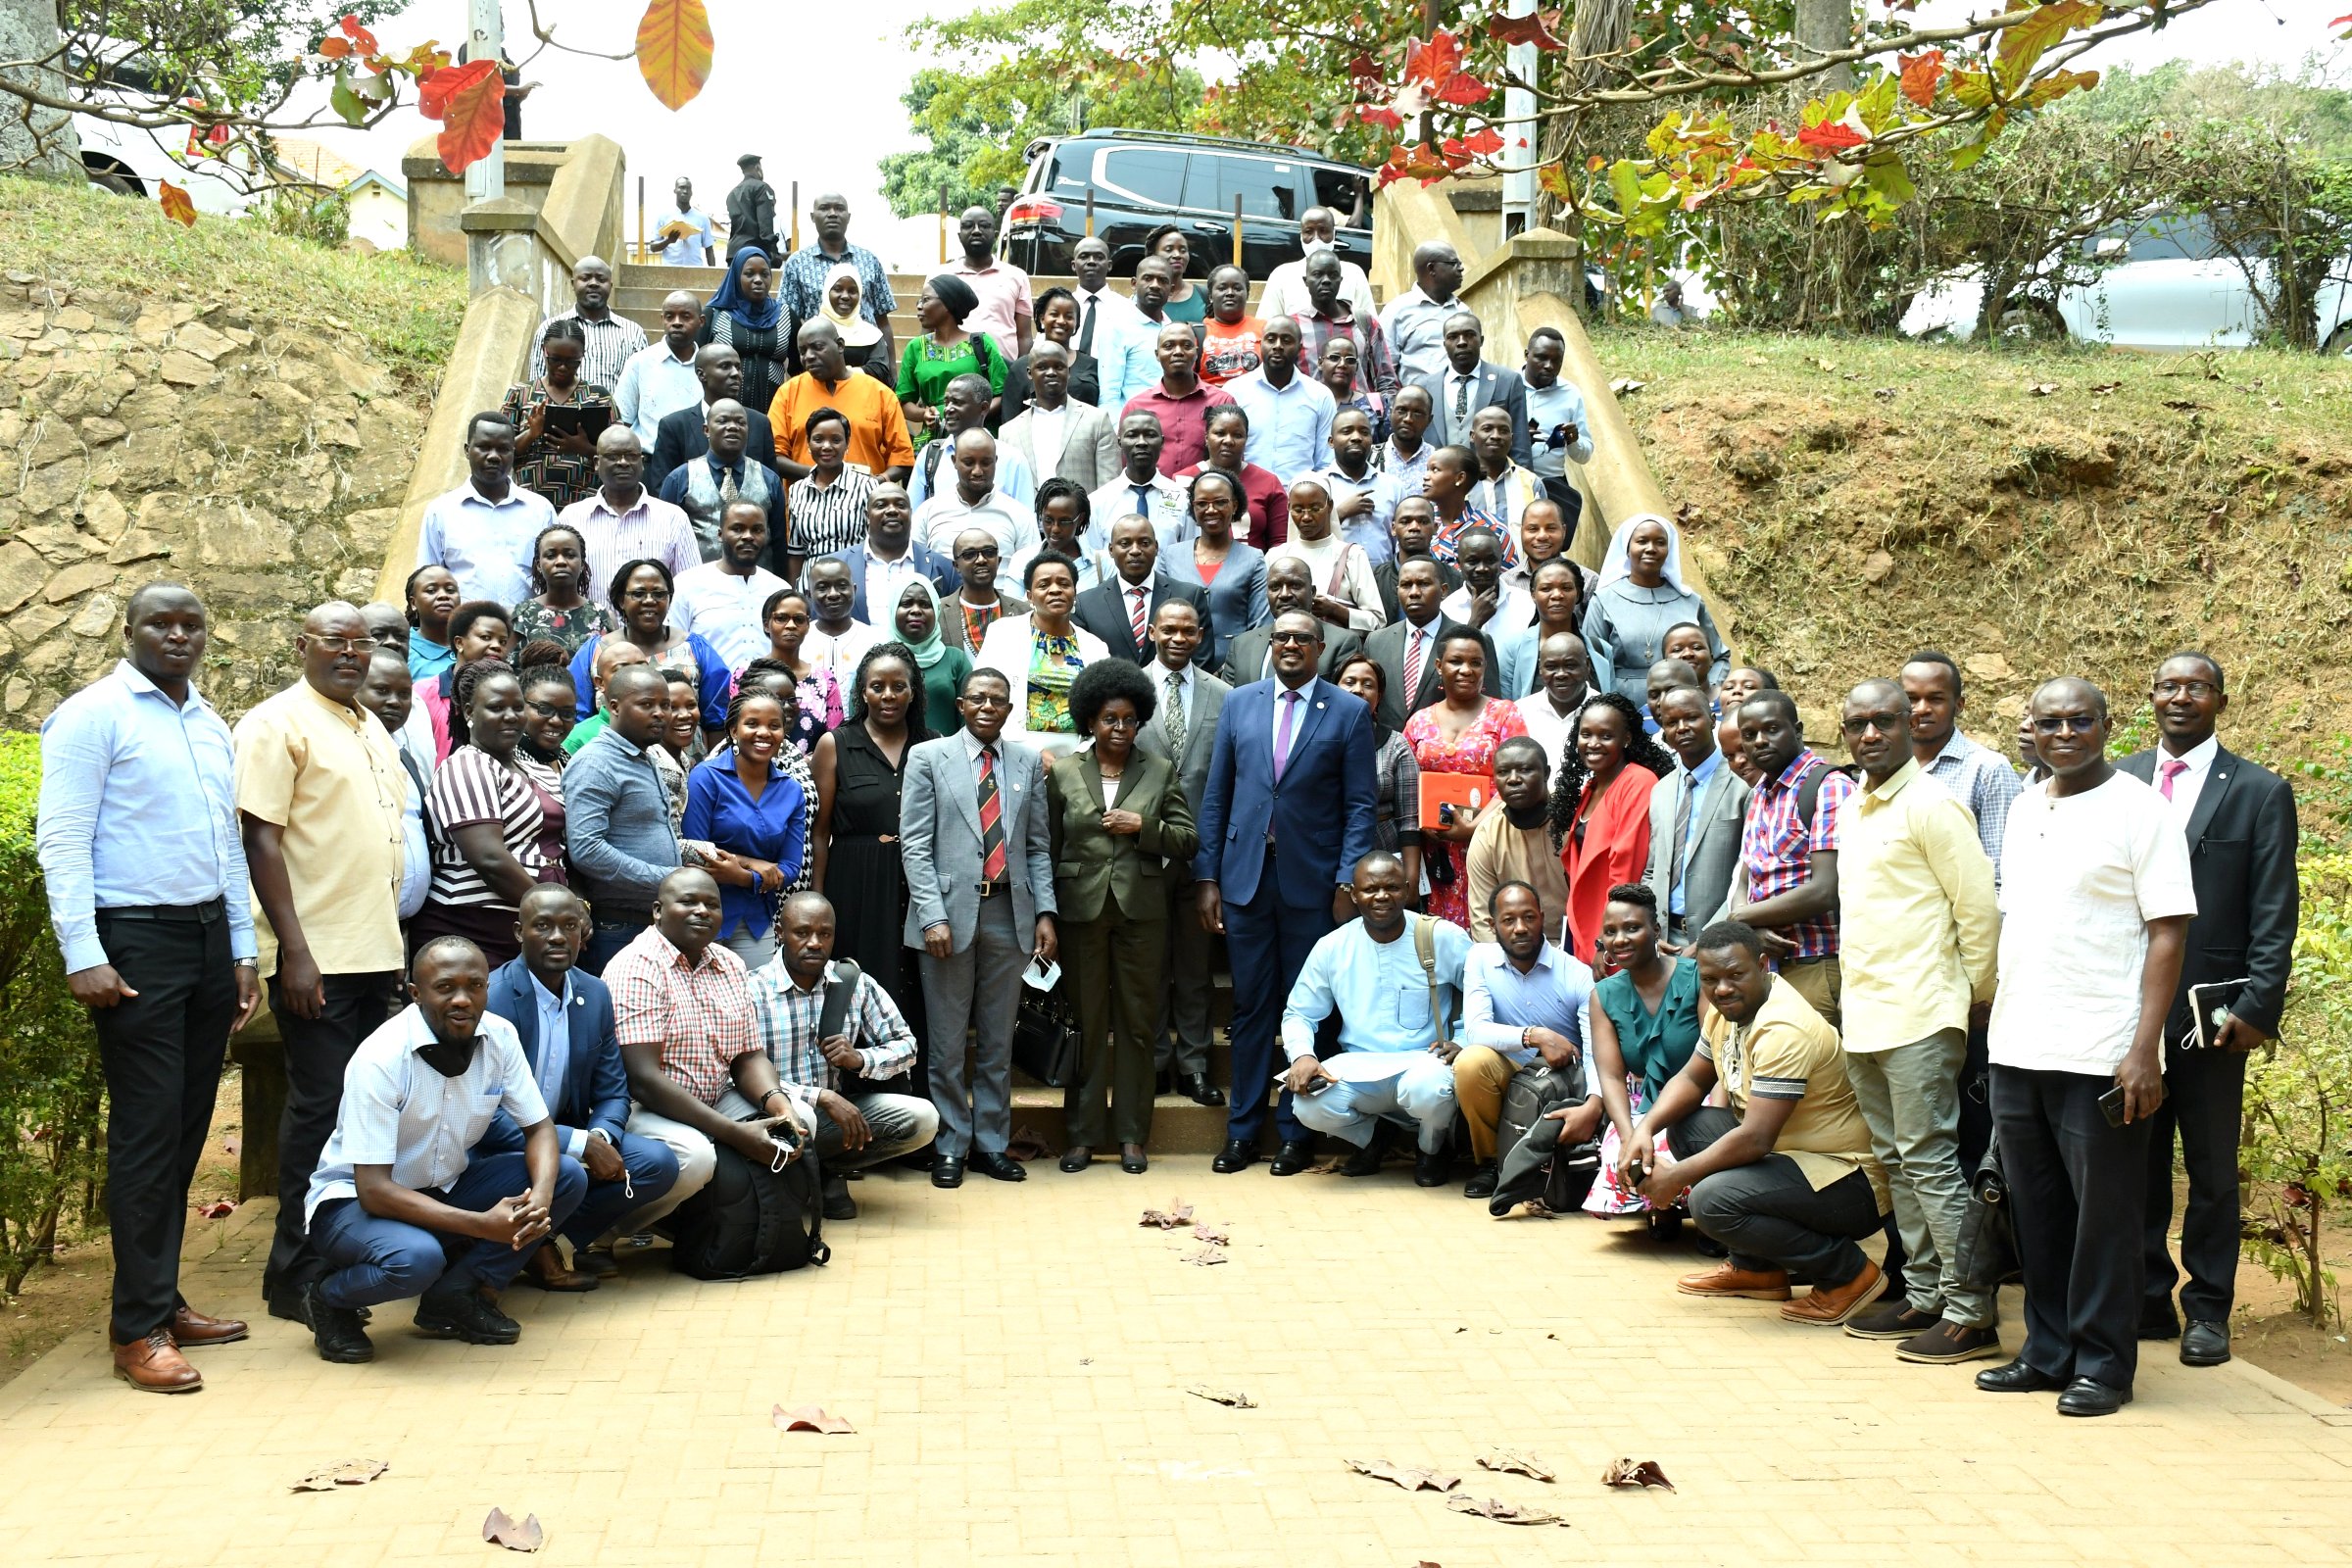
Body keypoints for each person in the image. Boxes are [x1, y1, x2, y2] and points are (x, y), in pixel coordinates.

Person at [36, 585, 260, 1394]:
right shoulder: (92, 715)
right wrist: (81, 952)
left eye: (191, 624)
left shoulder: (207, 720)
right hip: (134, 941)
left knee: (185, 1126)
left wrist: (241, 948)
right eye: (160, 624)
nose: (177, 635)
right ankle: (137, 1331)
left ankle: (161, 1298)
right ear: (126, 631)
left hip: (204, 939)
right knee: (145, 1131)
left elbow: (226, 847)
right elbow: (61, 840)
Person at [1977, 678, 2195, 1417]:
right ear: (2029, 731)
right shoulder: (2026, 804)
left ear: (2107, 726)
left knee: (2105, 1218)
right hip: (2019, 1045)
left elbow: (2168, 929)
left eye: (2080, 720)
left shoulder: (2142, 810)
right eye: (2049, 722)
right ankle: (2047, 1352)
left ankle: (2104, 1366)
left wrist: (2144, 1049)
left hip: (2102, 1052)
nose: (2064, 732)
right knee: (2035, 1212)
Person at [2118, 652, 2299, 1368]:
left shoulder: (2258, 791)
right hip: (2127, 1013)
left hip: (2212, 1020)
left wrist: (2259, 1003)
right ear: (2152, 698)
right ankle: (2147, 1299)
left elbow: (2274, 908)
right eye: (2168, 686)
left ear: (2221, 700)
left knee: (2214, 1172)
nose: (2180, 697)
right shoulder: (2120, 779)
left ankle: (2208, 1311)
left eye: (2196, 687)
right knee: (2137, 1162)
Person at [234, 602, 410, 1326]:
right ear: (302, 644)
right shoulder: (275, 724)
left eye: (359, 643)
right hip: (319, 960)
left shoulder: (367, 724)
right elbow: (261, 841)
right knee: (320, 1116)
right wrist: (294, 954)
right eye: (333, 642)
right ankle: (294, 1278)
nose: (349, 653)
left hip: (374, 953)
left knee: (364, 1116)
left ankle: (338, 1256)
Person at [296, 936, 585, 1363]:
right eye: (446, 987)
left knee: (565, 1175)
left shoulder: (499, 1036)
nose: (463, 1000)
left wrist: (539, 1200)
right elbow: (374, 1189)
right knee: (415, 1259)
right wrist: (482, 1225)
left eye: (475, 986)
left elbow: (539, 1128)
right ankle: (328, 1298)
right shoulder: (381, 1058)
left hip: (445, 1186)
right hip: (355, 1204)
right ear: (416, 994)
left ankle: (454, 1297)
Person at [1827, 678, 2004, 1364]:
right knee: (1899, 1160)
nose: (1869, 735)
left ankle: (1971, 1312)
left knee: (1931, 1161)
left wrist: (1973, 996)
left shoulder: (1933, 804)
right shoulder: (1856, 807)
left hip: (1924, 1012)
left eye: (1882, 721)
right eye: (1856, 724)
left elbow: (1977, 911)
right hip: (1867, 1013)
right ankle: (1926, 1293)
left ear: (1909, 725)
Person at [1622, 922, 1892, 1323]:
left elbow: (1756, 1138)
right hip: (1793, 1161)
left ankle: (1849, 1275)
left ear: (1764, 965)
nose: (1723, 988)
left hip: (1848, 1180)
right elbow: (1694, 1078)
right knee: (1687, 1126)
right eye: (1711, 979)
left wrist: (1674, 1178)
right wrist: (1644, 1128)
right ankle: (1757, 1271)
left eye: (1736, 975)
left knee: (1711, 1201)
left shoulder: (1784, 1027)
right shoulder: (1726, 1012)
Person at [1196, 610, 1378, 1175]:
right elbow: (1216, 795)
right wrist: (1208, 876)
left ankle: (1297, 1131)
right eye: (1282, 637)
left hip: (1314, 884)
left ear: (1321, 647)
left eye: (1302, 638)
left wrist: (1347, 880)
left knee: (1310, 1011)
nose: (1291, 645)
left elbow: (1360, 806)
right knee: (1252, 1008)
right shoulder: (1240, 702)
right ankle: (1242, 1132)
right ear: (1269, 645)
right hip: (1246, 878)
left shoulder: (1348, 712)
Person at [901, 667, 1058, 1188]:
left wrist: (1045, 914)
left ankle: (991, 1143)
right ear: (962, 706)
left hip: (1009, 916)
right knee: (946, 1044)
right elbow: (915, 846)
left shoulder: (1027, 762)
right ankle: (950, 1144)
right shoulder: (928, 757)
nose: (989, 706)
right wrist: (932, 915)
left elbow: (1037, 847)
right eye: (979, 699)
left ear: (1010, 710)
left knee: (997, 1043)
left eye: (999, 700)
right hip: (946, 920)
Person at [482, 887, 682, 1287]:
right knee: (570, 1167)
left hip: (569, 1135)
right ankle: (511, 1253)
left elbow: (612, 1091)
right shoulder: (494, 997)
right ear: (519, 933)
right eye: (543, 926)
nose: (558, 936)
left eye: (569, 925)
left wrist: (601, 1135)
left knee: (657, 1164)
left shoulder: (593, 992)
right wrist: (578, 1144)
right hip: (498, 1142)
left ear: (582, 932)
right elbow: (485, 1114)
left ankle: (546, 1236)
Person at [1048, 660, 1198, 1175]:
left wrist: (1143, 826)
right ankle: (1083, 1136)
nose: (1119, 729)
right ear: (1090, 719)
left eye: (1130, 720)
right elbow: (1045, 846)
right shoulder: (1064, 771)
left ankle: (1134, 1136)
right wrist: (1045, 914)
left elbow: (1188, 840)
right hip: (1080, 912)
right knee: (1086, 1025)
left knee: (1137, 1026)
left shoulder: (1158, 769)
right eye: (1110, 719)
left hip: (1142, 914)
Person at [608, 868, 809, 1236]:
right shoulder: (635, 966)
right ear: (657, 910)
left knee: (799, 1121)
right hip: (643, 1107)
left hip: (714, 1096)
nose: (702, 911)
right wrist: (734, 1133)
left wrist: (779, 1104)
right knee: (695, 1157)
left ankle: (726, 1225)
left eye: (711, 905)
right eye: (688, 902)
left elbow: (748, 1056)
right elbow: (643, 1080)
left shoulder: (729, 963)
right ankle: (614, 1229)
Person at [1283, 852, 1473, 1186]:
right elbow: (1299, 1012)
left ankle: (1431, 1149)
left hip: (1424, 1061)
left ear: (1408, 889)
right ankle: (1373, 1140)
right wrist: (1303, 1055)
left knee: (1428, 1089)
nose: (1381, 896)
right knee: (1308, 1105)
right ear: (1354, 895)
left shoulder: (1439, 936)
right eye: (1370, 889)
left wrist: (1465, 1041)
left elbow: (1482, 991)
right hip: (1359, 1064)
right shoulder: (1333, 947)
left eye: (1392, 887)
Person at [750, 890, 940, 1219]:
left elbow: (907, 1044)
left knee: (923, 1119)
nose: (814, 943)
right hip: (769, 1114)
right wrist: (819, 1096)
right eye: (802, 933)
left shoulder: (852, 983)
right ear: (780, 933)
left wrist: (861, 1060)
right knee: (803, 1116)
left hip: (833, 1116)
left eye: (824, 934)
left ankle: (826, 1169)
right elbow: (737, 1071)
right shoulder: (752, 990)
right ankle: (790, 1176)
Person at [808, 644, 933, 1085]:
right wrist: (818, 899)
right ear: (863, 691)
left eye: (898, 686)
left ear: (914, 692)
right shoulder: (836, 743)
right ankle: (860, 1104)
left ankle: (917, 1108)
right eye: (877, 686)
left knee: (915, 988)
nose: (888, 695)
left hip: (917, 884)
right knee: (861, 986)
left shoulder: (933, 744)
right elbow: (821, 831)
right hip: (854, 882)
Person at [1133, 600, 1229, 1106]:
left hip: (1199, 857)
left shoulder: (1224, 696)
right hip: (1140, 853)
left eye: (1187, 630)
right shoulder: (1128, 691)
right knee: (1148, 967)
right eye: (1168, 628)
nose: (1177, 637)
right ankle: (1151, 1064)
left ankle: (1193, 1065)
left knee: (1194, 970)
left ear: (1199, 636)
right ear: (1151, 631)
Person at [415, 659, 567, 967]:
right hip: (474, 929)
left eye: (518, 706)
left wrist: (573, 904)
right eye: (497, 708)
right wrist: (554, 913)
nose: (511, 716)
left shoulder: (540, 770)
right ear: (470, 712)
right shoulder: (467, 764)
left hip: (534, 931)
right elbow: (490, 860)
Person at [1460, 879, 1601, 1200]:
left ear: (1542, 916)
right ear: (1491, 924)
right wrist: (1535, 1036)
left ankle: (1547, 1167)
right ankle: (1492, 1164)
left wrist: (1595, 1104)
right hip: (1508, 1069)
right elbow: (1476, 1029)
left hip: (1557, 1084)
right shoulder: (1480, 958)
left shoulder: (1576, 974)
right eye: (1508, 920)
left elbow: (1596, 1052)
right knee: (1471, 1063)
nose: (1520, 928)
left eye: (1529, 917)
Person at [1574, 884, 1703, 1221]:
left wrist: (1716, 1119)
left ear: (1656, 930)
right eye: (1611, 932)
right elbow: (1612, 1077)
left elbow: (1717, 1059)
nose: (1620, 939)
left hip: (1702, 1103)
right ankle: (1663, 1211)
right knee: (1625, 1151)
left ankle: (1704, 1212)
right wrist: (1630, 1135)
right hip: (1642, 1105)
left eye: (1632, 928)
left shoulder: (1698, 979)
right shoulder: (1602, 996)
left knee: (1681, 1148)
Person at [1730, 689, 1857, 1027]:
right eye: (1749, 735)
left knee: (1819, 1077)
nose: (1760, 741)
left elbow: (1825, 890)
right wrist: (1749, 925)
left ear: (1797, 730)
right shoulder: (1758, 794)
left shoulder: (1828, 786)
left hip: (1816, 963)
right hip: (1766, 967)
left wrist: (1740, 921)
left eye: (1772, 729)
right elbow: (1747, 878)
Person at [564, 664, 684, 973]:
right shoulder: (596, 762)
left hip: (653, 922)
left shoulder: (645, 757)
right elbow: (587, 850)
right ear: (613, 706)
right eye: (647, 704)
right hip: (618, 927)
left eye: (665, 705)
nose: (660, 713)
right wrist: (667, 881)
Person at [683, 683, 808, 970]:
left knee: (753, 1004)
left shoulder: (791, 791)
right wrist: (753, 863)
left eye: (774, 726)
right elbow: (694, 853)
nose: (764, 733)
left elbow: (790, 867)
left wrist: (743, 877)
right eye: (752, 724)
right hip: (702, 912)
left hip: (754, 917)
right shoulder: (706, 777)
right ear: (733, 731)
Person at [1548, 692, 1673, 971]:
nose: (1593, 744)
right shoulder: (1590, 788)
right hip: (1582, 925)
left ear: (1626, 739)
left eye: (1605, 736)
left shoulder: (1638, 781)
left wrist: (1606, 940)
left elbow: (1626, 869)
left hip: (1614, 934)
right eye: (1586, 734)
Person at [564, 562, 729, 738]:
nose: (650, 601)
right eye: (638, 593)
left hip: (688, 761)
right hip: (613, 760)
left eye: (659, 594)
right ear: (621, 600)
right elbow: (575, 716)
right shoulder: (595, 651)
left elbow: (717, 719)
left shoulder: (695, 647)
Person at [1642, 683, 1750, 950]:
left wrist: (1711, 938)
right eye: (1671, 722)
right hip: (1667, 941)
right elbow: (1653, 870)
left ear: (1713, 719)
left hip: (1724, 938)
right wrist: (1653, 932)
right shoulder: (1661, 790)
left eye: (1691, 717)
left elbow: (1749, 874)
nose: (1682, 727)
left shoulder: (1742, 783)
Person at [416, 412, 559, 611]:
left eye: (503, 449)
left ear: (513, 452)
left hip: (527, 633)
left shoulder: (541, 510)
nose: (493, 456)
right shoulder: (441, 512)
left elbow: (555, 580)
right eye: (483, 447)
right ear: (467, 450)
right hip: (463, 634)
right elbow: (427, 581)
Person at [1899, 650, 2023, 875]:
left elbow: (2001, 875)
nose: (1922, 709)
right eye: (1911, 699)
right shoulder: (1886, 769)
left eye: (1936, 699)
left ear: (1959, 705)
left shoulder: (1988, 770)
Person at [1585, 514, 1729, 703]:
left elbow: (1721, 656)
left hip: (1683, 706)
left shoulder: (1690, 601)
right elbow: (1592, 662)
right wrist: (1608, 704)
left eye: (1660, 542)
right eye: (1642, 541)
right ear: (1627, 548)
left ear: (1669, 550)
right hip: (1621, 707)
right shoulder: (1603, 600)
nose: (1651, 549)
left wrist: (1707, 689)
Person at [976, 551, 1109, 752]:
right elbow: (983, 697)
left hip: (1079, 760)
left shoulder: (1096, 647)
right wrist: (1031, 754)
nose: (1055, 590)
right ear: (1029, 595)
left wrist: (1079, 758)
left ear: (1075, 592)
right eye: (1044, 584)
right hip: (1014, 752)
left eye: (1064, 584)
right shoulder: (1002, 634)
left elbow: (1104, 710)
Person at [561, 427, 701, 616]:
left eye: (631, 456)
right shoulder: (572, 518)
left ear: (642, 463)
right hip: (592, 638)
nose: (623, 462)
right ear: (596, 463)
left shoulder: (673, 518)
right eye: (613, 456)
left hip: (655, 638)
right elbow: (558, 587)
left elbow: (691, 588)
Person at [771, 318, 914, 486]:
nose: (808, 356)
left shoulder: (880, 393)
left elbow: (902, 458)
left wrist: (877, 481)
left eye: (817, 347)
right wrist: (820, 475)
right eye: (802, 351)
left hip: (864, 504)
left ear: (839, 345)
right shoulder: (787, 393)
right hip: (806, 506)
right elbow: (774, 456)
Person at [1369, 557, 1498, 731]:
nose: (1414, 592)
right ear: (1397, 590)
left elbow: (1491, 709)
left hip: (1450, 749)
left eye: (1423, 584)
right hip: (1389, 751)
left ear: (1443, 590)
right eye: (1406, 585)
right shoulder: (1376, 641)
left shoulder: (1474, 641)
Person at [1333, 653, 1423, 899]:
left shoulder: (1396, 745)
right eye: (1349, 682)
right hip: (1328, 852)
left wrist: (1410, 878)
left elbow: (1409, 819)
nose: (1358, 690)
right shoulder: (1316, 738)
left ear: (1379, 697)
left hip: (1384, 851)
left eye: (1368, 684)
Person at [1464, 735, 1568, 944]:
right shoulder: (1487, 835)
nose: (1513, 779)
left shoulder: (1573, 818)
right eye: (1503, 772)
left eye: (1525, 770)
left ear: (1546, 773)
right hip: (1518, 952)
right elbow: (1484, 921)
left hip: (1578, 947)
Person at [504, 319, 616, 512]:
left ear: (582, 356)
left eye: (573, 362)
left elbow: (620, 452)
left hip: (584, 504)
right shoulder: (521, 394)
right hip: (529, 503)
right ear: (544, 351)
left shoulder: (598, 396)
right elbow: (501, 452)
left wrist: (586, 448)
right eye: (555, 359)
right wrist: (531, 433)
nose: (563, 367)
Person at [656, 397, 784, 563]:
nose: (732, 427)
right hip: (698, 583)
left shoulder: (769, 480)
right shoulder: (679, 479)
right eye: (723, 421)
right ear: (706, 430)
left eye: (740, 422)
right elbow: (666, 540)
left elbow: (779, 541)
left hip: (757, 582)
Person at [357, 648, 434, 924]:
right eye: (381, 690)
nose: (395, 702)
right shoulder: (342, 756)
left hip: (404, 927)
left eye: (404, 694)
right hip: (356, 922)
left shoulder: (404, 757)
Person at [1072, 514, 1211, 665]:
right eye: (1125, 544)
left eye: (1144, 543)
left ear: (1156, 547)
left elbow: (1201, 661)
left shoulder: (1189, 597)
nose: (1135, 551)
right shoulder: (1085, 604)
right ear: (1111, 550)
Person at [779, 193, 897, 371]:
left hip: (867, 358)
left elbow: (883, 321)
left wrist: (892, 369)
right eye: (824, 208)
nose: (832, 213)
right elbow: (789, 322)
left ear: (848, 217)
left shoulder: (869, 260)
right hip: (818, 363)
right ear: (812, 217)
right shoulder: (796, 263)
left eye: (839, 208)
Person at [1165, 469, 1268, 668]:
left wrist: (1231, 670)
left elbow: (1260, 627)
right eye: (1202, 503)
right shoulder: (1170, 556)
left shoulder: (1253, 559)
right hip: (1181, 668)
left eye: (1220, 502)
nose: (1211, 510)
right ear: (1193, 508)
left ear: (1234, 505)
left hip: (1236, 670)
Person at [648, 344, 783, 491]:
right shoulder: (674, 426)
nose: (735, 374)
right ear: (701, 375)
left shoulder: (759, 423)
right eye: (725, 366)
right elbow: (663, 488)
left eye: (738, 367)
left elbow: (771, 488)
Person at [670, 502, 786, 670]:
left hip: (770, 692)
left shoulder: (779, 589)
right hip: (709, 694)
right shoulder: (687, 584)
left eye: (757, 530)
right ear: (720, 534)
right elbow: (674, 648)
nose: (748, 536)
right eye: (738, 529)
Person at [1219, 555, 1363, 686]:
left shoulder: (1342, 643)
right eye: (1275, 587)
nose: (1284, 594)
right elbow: (1230, 704)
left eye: (1295, 585)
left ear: (1312, 592)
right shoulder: (1241, 645)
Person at [1225, 317, 1335, 486]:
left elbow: (1325, 462)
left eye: (1286, 340)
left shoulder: (1320, 396)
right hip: (1245, 497)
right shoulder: (1234, 391)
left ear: (1299, 347)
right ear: (1261, 344)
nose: (1277, 346)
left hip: (1299, 502)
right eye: (1271, 339)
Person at [899, 274, 1007, 441]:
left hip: (978, 438)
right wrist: (924, 414)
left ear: (947, 304)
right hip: (933, 438)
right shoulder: (915, 348)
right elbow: (904, 402)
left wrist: (974, 417)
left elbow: (1002, 393)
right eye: (919, 301)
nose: (919, 306)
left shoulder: (981, 343)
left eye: (926, 300)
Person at [1267, 477, 1381, 635]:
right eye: (1298, 510)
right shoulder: (1276, 556)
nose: (1306, 517)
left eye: (1315, 508)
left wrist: (1335, 610)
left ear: (1330, 506)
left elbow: (1377, 622)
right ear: (1288, 508)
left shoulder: (1352, 555)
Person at [1122, 320, 1235, 477]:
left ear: (1197, 352)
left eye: (1187, 346)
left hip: (1206, 497)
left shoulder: (1221, 402)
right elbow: (1125, 463)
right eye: (1168, 346)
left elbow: (1234, 460)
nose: (1178, 352)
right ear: (1157, 354)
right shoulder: (1136, 407)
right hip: (1153, 497)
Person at [1001, 341, 1117, 490]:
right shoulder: (1008, 432)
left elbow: (1109, 488)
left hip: (1083, 513)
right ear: (1029, 373)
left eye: (1058, 367)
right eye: (1042, 367)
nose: (1051, 372)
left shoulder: (1098, 421)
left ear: (1069, 372)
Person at [839, 481, 959, 624]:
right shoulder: (840, 564)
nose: (892, 510)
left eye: (900, 505)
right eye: (881, 505)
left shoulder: (944, 568)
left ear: (910, 512)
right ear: (867, 516)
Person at [413, 601, 512, 764]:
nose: (496, 646)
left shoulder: (509, 695)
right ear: (459, 643)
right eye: (486, 637)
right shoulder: (423, 694)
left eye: (502, 641)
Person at [914, 428, 1040, 559]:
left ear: (995, 462)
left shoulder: (1019, 515)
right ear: (954, 461)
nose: (977, 471)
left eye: (985, 463)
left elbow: (1031, 570)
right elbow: (916, 566)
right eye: (968, 463)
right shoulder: (928, 512)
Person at [1177, 405, 1290, 549]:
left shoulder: (1269, 483)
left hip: (1253, 569)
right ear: (1206, 437)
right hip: (1190, 568)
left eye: (1237, 435)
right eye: (1220, 433)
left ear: (1246, 440)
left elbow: (1280, 544)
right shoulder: (1181, 481)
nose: (1228, 441)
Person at [1293, 247, 1399, 396]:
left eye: (1333, 275)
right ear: (1306, 281)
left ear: (1340, 280)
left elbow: (1386, 380)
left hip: (1360, 415)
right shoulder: (1294, 326)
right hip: (1314, 416)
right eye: (1317, 274)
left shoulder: (1364, 322)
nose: (1326, 281)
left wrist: (1384, 414)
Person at [529, 254, 646, 391]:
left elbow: (643, 384)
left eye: (601, 279)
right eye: (585, 278)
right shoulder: (548, 329)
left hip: (614, 412)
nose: (594, 283)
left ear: (611, 285)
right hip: (563, 411)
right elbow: (536, 384)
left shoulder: (633, 332)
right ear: (573, 284)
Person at [752, 588, 845, 753]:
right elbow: (737, 730)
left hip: (813, 774)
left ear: (808, 625)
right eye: (781, 618)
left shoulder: (824, 681)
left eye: (799, 620)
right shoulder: (747, 675)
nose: (791, 626)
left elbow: (836, 740)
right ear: (766, 625)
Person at [699, 247, 790, 416]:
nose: (758, 280)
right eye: (749, 274)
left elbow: (800, 368)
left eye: (764, 274)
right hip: (722, 414)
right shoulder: (714, 314)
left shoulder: (785, 315)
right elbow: (696, 360)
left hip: (773, 412)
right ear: (736, 276)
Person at [1519, 326, 1592, 528]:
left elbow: (1584, 455)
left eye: (1556, 360)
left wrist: (1574, 441)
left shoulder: (1571, 395)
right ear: (1527, 355)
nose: (1549, 366)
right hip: (1510, 483)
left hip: (1551, 486)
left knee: (1548, 546)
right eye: (1541, 358)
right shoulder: (1507, 385)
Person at [614, 290, 708, 449]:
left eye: (686, 316)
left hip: (698, 460)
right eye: (669, 316)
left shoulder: (709, 365)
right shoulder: (639, 362)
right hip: (651, 461)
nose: (676, 322)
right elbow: (622, 422)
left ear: (701, 321)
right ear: (662, 319)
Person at [509, 522, 617, 657]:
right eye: (550, 556)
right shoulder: (519, 616)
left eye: (570, 555)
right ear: (538, 565)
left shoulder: (603, 618)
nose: (560, 561)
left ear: (582, 564)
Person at [1087, 412, 1192, 548]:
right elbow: (1094, 561)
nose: (1141, 442)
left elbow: (1189, 556)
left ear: (1162, 442)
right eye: (1132, 435)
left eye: (1150, 435)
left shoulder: (1183, 500)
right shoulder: (1097, 503)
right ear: (1119, 442)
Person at [882, 579, 970, 739]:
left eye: (924, 604)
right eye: (907, 603)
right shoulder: (878, 661)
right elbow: (859, 721)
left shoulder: (955, 659)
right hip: (886, 760)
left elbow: (970, 720)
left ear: (936, 610)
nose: (916, 610)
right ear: (893, 609)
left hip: (945, 758)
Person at [1258, 206, 1378, 322]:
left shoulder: (1354, 274)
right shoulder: (1282, 275)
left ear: (1334, 234)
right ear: (1301, 236)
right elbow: (1266, 326)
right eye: (1309, 232)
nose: (1316, 238)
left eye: (1323, 231)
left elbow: (1370, 324)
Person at [1002, 286, 1103, 420]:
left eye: (1069, 316)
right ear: (1042, 318)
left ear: (1077, 323)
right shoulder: (1021, 367)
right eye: (1054, 314)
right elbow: (1009, 419)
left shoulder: (1093, 365)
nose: (1061, 321)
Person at [950, 205, 1033, 362]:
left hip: (1003, 372)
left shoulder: (1016, 276)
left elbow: (1024, 336)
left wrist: (1022, 374)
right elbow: (927, 331)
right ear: (959, 236)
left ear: (995, 235)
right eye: (968, 226)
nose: (976, 231)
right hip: (952, 370)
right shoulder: (941, 276)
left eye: (984, 226)